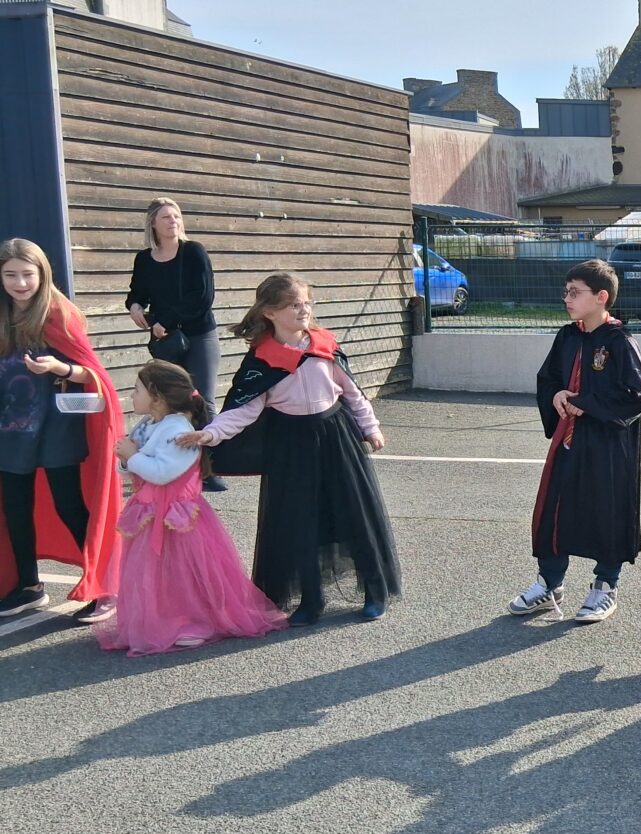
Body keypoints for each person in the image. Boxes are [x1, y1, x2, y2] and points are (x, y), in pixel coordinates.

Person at [178, 273, 399, 626]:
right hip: (291, 445)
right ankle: (311, 600)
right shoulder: (262, 359)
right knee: (299, 521)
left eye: (306, 303)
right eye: (294, 305)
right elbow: (244, 409)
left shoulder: (325, 346)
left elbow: (353, 393)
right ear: (269, 312)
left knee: (354, 513)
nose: (303, 310)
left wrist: (370, 427)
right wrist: (211, 433)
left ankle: (374, 591)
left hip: (336, 438)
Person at [98, 361, 284, 655]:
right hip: (150, 512)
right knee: (155, 576)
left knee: (182, 574)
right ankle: (162, 620)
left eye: (137, 390)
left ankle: (195, 622)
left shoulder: (177, 431)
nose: (131, 395)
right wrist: (125, 460)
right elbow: (133, 466)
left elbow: (162, 473)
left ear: (157, 397)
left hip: (177, 517)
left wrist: (131, 457)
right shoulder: (149, 424)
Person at [506, 260, 641, 624]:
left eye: (575, 292)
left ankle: (605, 585)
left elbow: (637, 395)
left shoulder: (619, 341)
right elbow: (549, 378)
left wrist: (587, 404)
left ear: (601, 297)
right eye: (566, 291)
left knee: (607, 511)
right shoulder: (568, 336)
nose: (566, 299)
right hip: (568, 441)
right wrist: (556, 395)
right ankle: (549, 583)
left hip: (607, 446)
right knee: (554, 508)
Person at [0, 239, 125, 624]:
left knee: (68, 504)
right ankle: (28, 586)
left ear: (42, 274)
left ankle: (106, 586)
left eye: (27, 274)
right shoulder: (2, 313)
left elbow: (93, 374)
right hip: (11, 427)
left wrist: (59, 368)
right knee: (15, 507)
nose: (20, 283)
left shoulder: (59, 313)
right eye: (10, 275)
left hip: (57, 426)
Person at [127, 198, 225, 492]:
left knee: (202, 399)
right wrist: (134, 307)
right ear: (153, 224)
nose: (173, 221)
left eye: (177, 216)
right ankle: (173, 462)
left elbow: (203, 297)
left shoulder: (193, 252)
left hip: (199, 334)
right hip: (167, 341)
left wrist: (165, 320)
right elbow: (137, 292)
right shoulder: (145, 259)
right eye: (166, 217)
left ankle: (211, 468)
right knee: (172, 401)